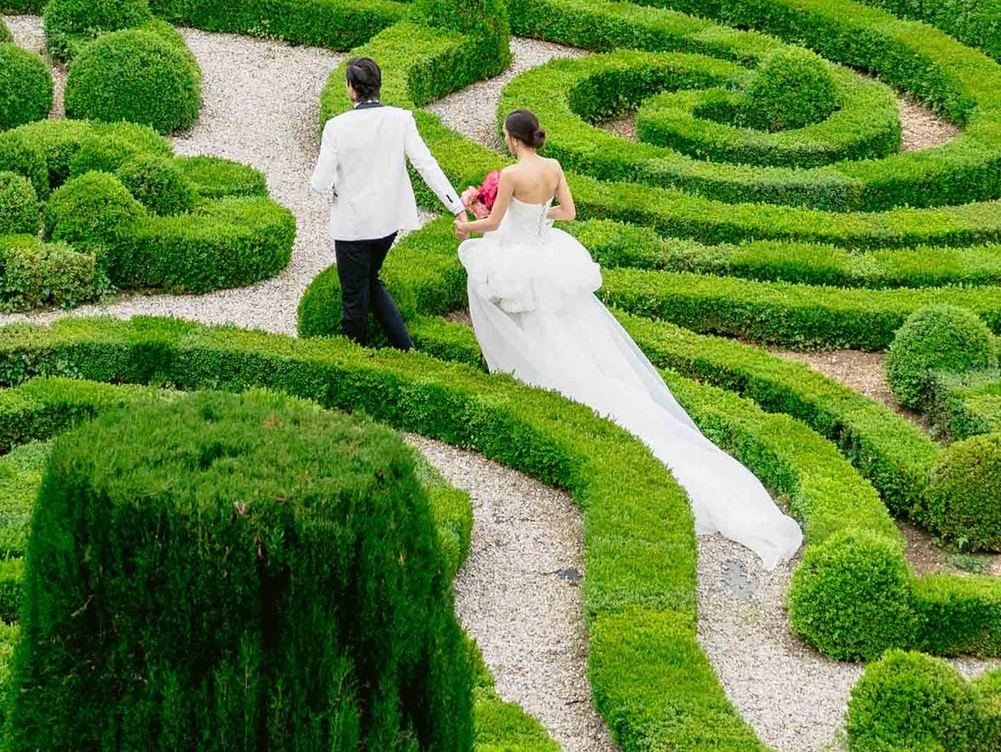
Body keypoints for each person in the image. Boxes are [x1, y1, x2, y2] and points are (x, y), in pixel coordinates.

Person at [456, 109, 802, 568]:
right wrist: (539, 222)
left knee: (500, 291)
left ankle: (533, 380)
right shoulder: (553, 166)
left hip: (521, 259)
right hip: (547, 255)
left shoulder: (514, 174)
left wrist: (466, 219)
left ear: (509, 137)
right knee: (567, 330)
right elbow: (569, 212)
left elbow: (495, 226)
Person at [308, 53, 461, 349]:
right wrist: (456, 206)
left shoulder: (336, 127)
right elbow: (426, 164)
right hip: (389, 222)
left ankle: (357, 361)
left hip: (352, 226)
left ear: (351, 88)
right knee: (371, 279)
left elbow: (321, 182)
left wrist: (319, 188)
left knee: (353, 300)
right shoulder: (401, 119)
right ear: (378, 85)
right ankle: (405, 348)